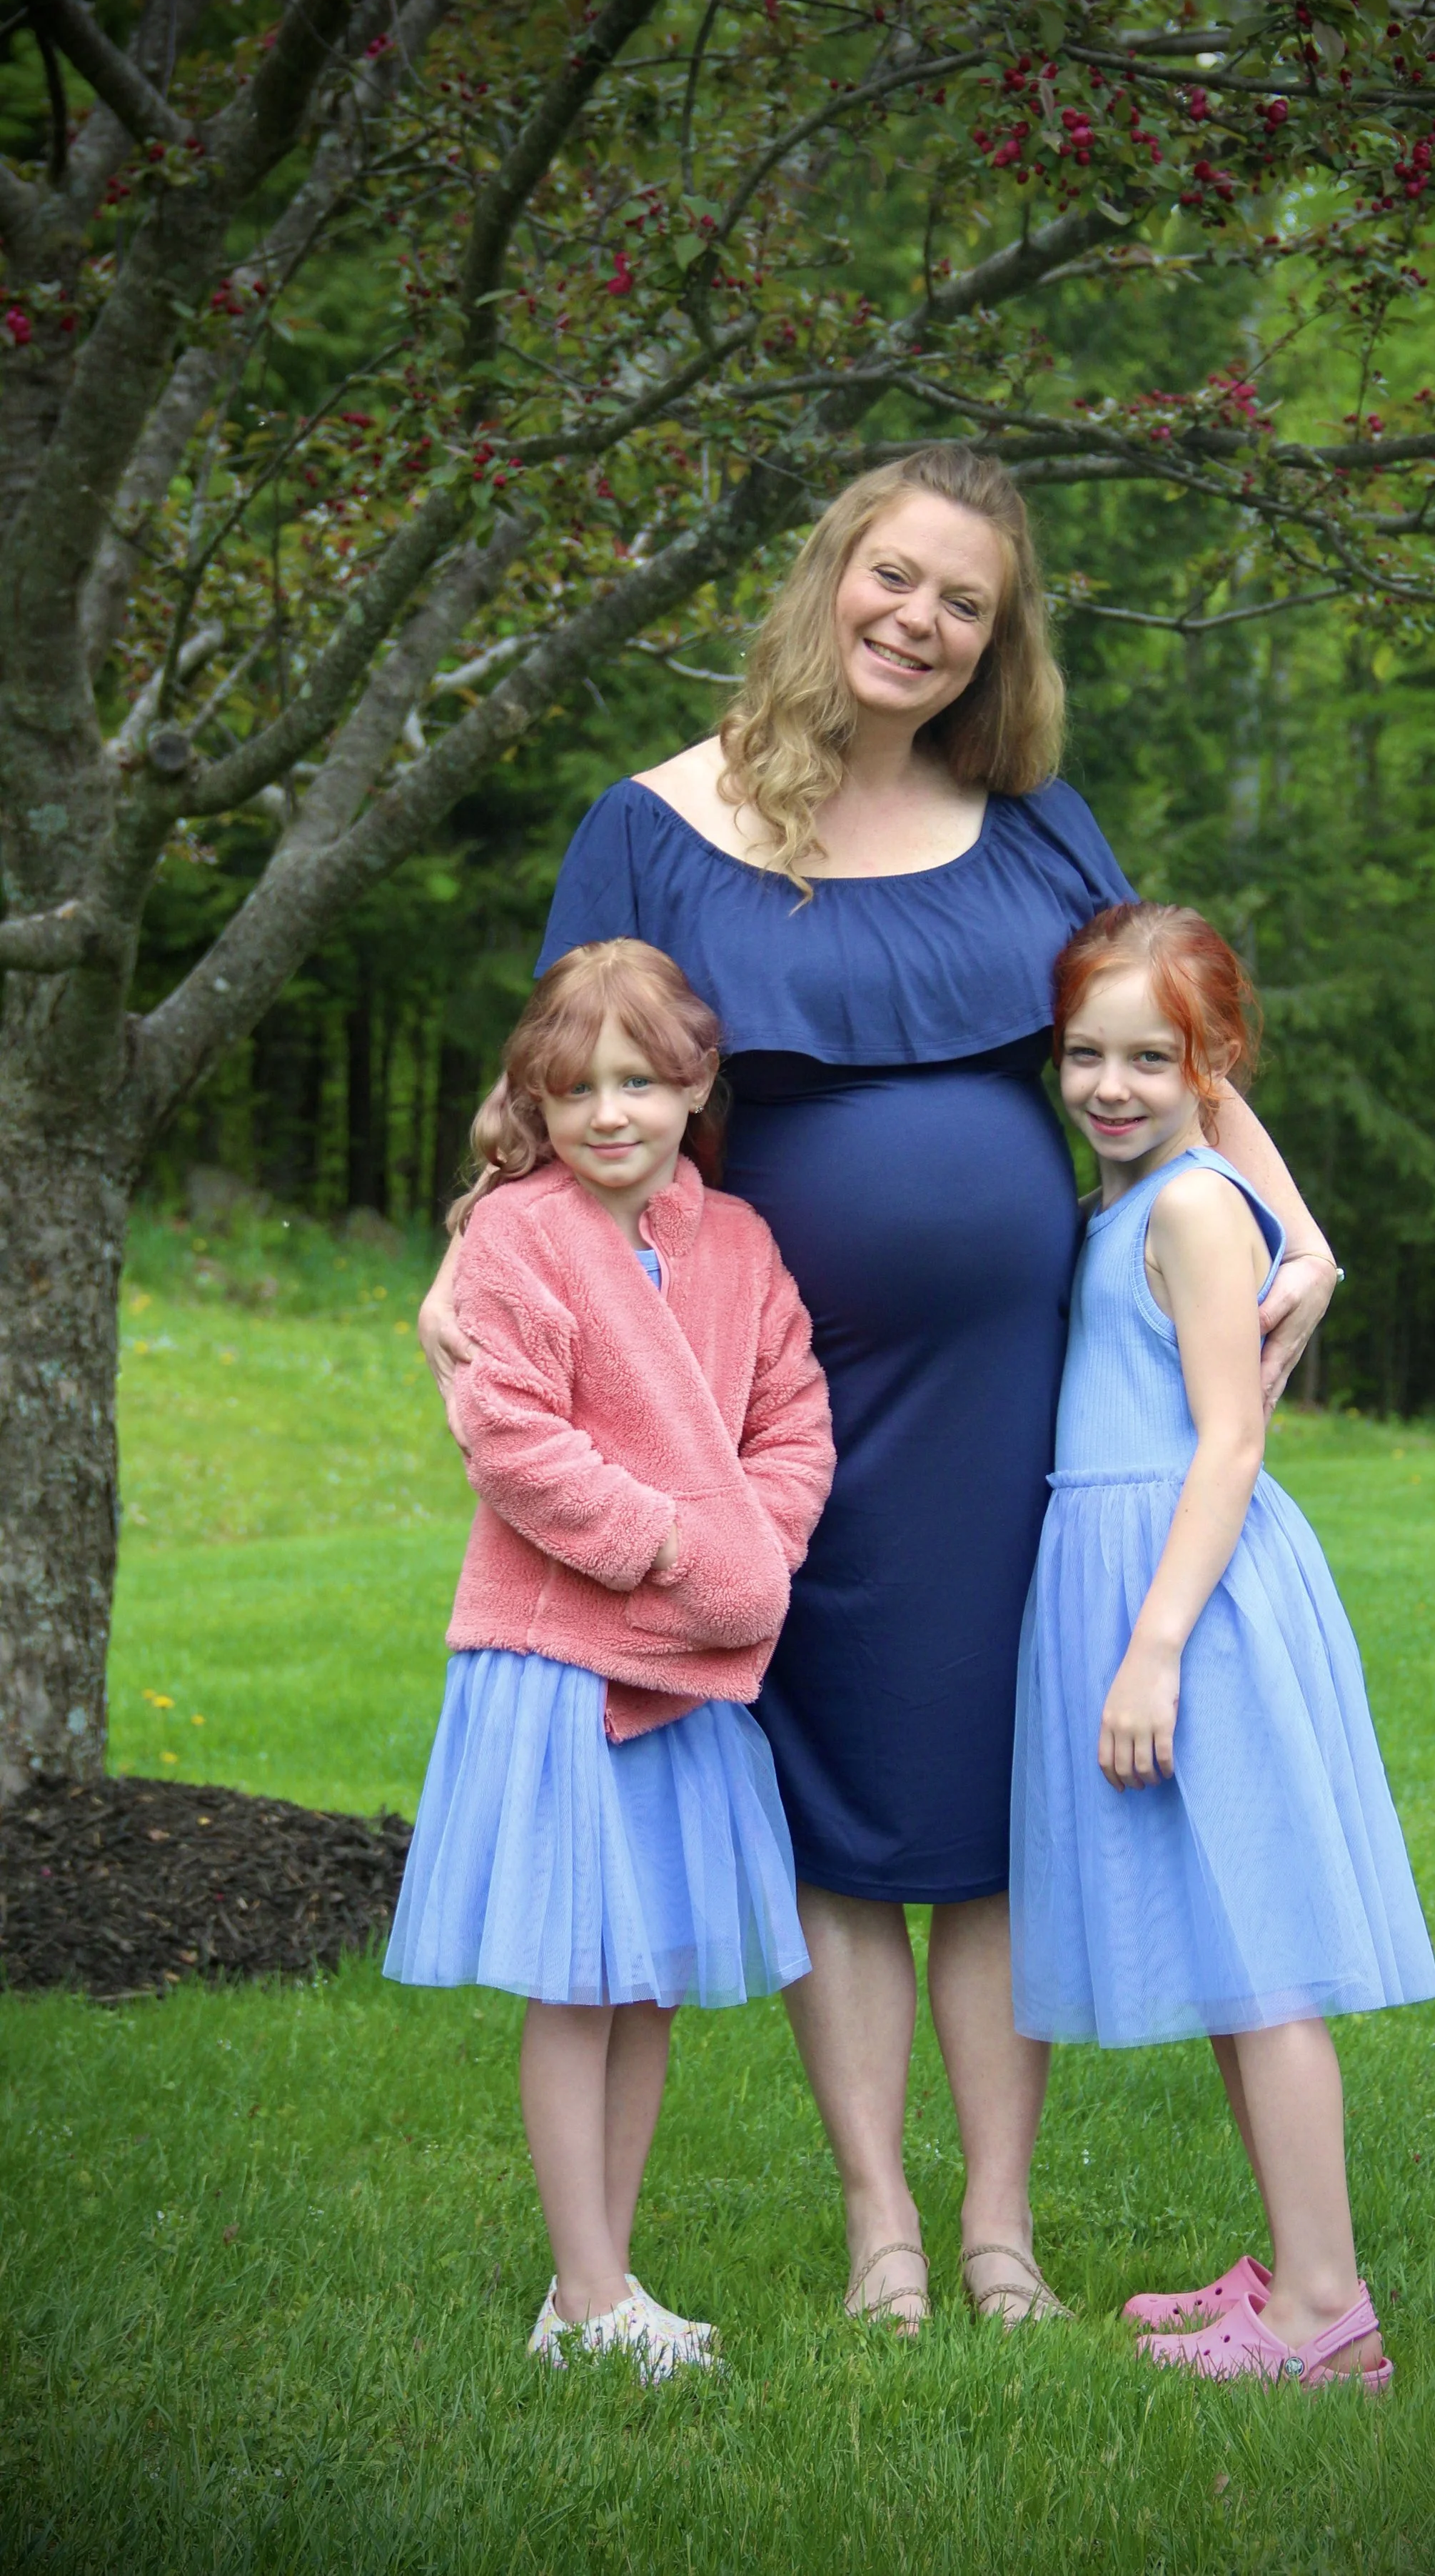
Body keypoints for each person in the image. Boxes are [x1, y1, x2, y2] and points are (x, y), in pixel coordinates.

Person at [419, 443, 1339, 2333]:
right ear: (831, 572)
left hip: (1021, 1395)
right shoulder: (655, 825)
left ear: (998, 643)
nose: (916, 622)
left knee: (992, 1797)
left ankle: (996, 2224)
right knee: (834, 1797)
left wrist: (1288, 1219)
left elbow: (1165, 1034)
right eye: (893, 577)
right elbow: (562, 1080)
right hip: (764, 1403)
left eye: (964, 603)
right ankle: (880, 2229)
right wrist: (475, 1271)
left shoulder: (1034, 822)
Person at [387, 941, 833, 2373]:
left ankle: (602, 2281)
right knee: (575, 1977)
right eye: (574, 1088)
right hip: (565, 1660)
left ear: (695, 1084)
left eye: (641, 1081)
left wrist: (747, 1560)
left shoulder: (743, 1248)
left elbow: (795, 1426)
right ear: (537, 1101)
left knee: (645, 1977)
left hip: (691, 1669)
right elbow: (510, 1436)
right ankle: (584, 2296)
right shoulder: (518, 1235)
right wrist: (671, 1552)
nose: (610, 1113)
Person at [1012, 901, 1435, 2388]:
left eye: (1151, 1056)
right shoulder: (1125, 1202)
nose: (1112, 1086)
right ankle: (1285, 2266)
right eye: (1085, 1055)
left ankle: (1327, 2312)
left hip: (1193, 1596)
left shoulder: (1191, 1204)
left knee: (1262, 1963)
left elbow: (1226, 1441)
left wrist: (1154, 1645)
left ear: (1216, 1064)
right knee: (1223, 1951)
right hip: (1138, 1577)